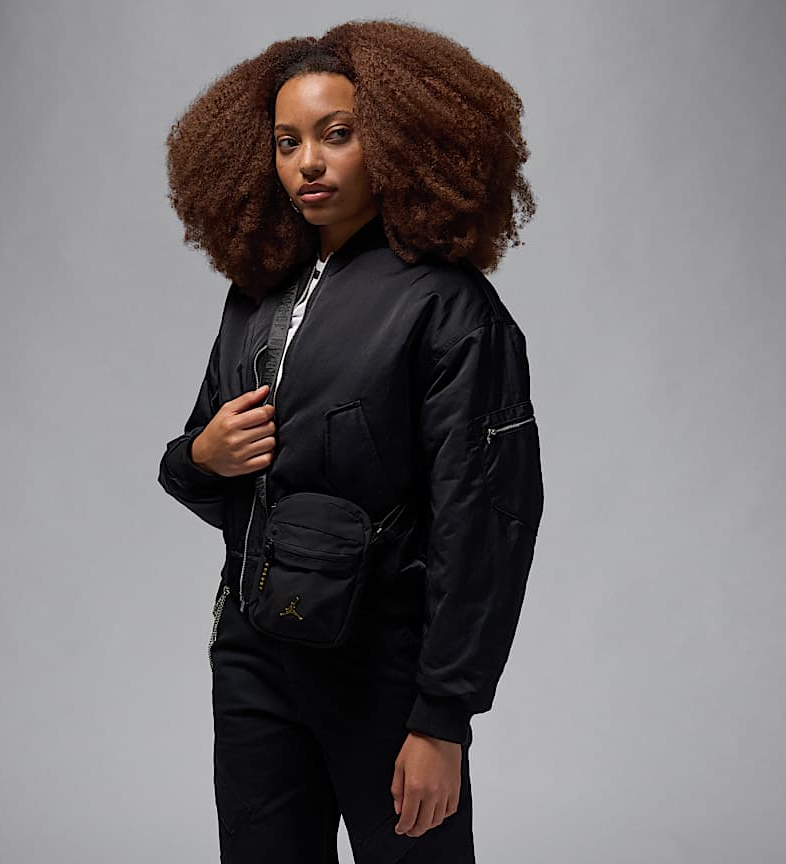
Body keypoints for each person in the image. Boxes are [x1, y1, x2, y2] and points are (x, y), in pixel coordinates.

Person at [158, 19, 544, 863]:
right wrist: (199, 457)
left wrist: (442, 719)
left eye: (337, 134)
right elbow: (203, 465)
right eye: (287, 142)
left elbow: (484, 523)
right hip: (255, 659)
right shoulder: (256, 294)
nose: (309, 162)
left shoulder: (449, 309)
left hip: (383, 674)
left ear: (400, 141)